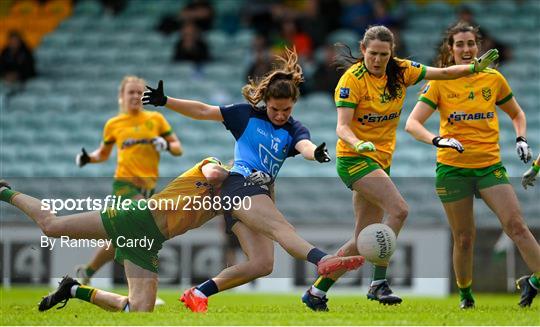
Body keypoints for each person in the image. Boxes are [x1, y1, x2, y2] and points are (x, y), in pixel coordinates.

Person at [142, 47, 366, 312]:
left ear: (293, 104)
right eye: (275, 109)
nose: (281, 115)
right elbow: (203, 111)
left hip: (258, 193)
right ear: (265, 101)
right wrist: (166, 101)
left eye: (286, 109)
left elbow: (305, 145)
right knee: (282, 228)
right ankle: (323, 260)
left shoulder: (295, 129)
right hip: (238, 185)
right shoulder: (245, 115)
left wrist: (315, 153)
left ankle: (198, 293)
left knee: (261, 264)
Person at [301, 24, 499, 311]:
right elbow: (342, 128)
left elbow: (442, 73)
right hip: (355, 159)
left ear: (391, 52)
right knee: (400, 210)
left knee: (362, 239)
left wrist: (472, 69)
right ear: (363, 51)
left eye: (384, 54)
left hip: (381, 160)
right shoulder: (351, 80)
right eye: (373, 54)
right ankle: (378, 283)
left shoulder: (401, 70)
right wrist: (358, 144)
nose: (378, 60)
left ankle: (316, 292)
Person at [0, 158, 274, 312]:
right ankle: (4, 192)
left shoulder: (228, 202)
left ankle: (72, 289)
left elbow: (255, 220)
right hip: (135, 217)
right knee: (52, 226)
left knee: (140, 310)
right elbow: (214, 173)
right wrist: (237, 174)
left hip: (149, 242)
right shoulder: (212, 165)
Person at [405, 21, 540, 309]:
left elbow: (517, 114)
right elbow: (412, 124)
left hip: (489, 166)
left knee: (516, 226)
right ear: (450, 50)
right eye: (460, 45)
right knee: (464, 238)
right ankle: (466, 296)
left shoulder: (493, 78)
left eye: (470, 44)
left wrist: (521, 138)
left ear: (477, 46)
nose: (466, 49)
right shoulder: (440, 81)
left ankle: (536, 279)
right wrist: (437, 140)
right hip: (452, 168)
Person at [74, 75, 182, 286]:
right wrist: (88, 158)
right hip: (124, 185)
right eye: (130, 92)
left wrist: (166, 145)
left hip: (149, 187)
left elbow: (178, 148)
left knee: (120, 237)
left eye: (140, 92)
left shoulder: (156, 120)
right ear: (121, 97)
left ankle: (87, 271)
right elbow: (103, 154)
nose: (135, 96)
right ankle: (140, 289)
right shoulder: (114, 124)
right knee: (136, 230)